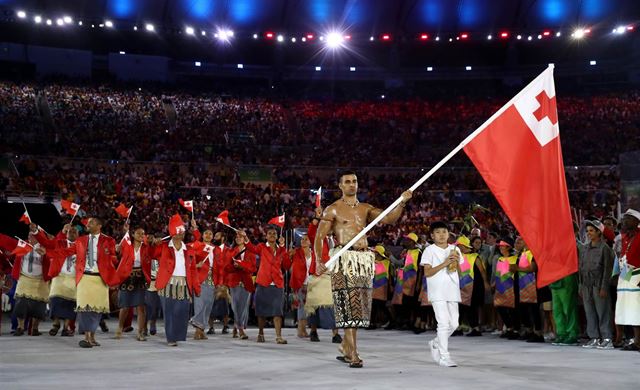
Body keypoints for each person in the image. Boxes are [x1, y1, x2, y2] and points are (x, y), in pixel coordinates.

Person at [313, 170, 412, 368]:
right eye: (347, 182)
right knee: (348, 306)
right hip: (344, 259)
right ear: (340, 185)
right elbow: (319, 237)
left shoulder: (365, 208)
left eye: (354, 181)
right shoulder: (332, 209)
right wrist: (318, 260)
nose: (351, 184)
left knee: (359, 308)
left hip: (363, 261)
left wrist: (402, 201)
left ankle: (346, 346)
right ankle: (353, 354)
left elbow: (389, 219)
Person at [54, 217, 123, 348]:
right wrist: (49, 252)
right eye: (88, 222)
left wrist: (116, 254)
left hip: (100, 279)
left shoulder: (108, 241)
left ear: (99, 225)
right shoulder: (81, 240)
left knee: (97, 309)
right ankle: (86, 338)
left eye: (91, 223)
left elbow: (113, 259)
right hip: (84, 277)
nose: (88, 224)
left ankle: (93, 337)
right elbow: (67, 251)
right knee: (85, 308)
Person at [152, 214, 201, 347]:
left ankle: (178, 335)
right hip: (168, 283)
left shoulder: (189, 249)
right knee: (169, 312)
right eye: (177, 233)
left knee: (182, 311)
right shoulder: (163, 247)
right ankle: (171, 337)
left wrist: (196, 287)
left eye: (182, 233)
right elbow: (151, 252)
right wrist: (153, 242)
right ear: (172, 234)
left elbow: (193, 270)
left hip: (184, 284)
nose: (180, 236)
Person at [421, 221, 462, 367]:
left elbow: (460, 270)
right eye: (438, 232)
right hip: (437, 290)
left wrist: (455, 263)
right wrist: (445, 263)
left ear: (449, 234)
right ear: (432, 236)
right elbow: (427, 273)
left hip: (452, 289)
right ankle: (444, 357)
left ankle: (435, 343)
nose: (442, 235)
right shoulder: (429, 250)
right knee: (443, 323)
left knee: (455, 324)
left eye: (444, 232)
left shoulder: (455, 249)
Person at [240, 226, 291, 344]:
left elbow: (287, 266)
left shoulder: (282, 250)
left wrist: (284, 248)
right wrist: (245, 237)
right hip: (263, 282)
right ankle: (260, 333)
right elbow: (251, 248)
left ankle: (278, 336)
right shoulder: (261, 247)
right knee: (261, 311)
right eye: (270, 233)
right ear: (266, 236)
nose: (272, 235)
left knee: (278, 311)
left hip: (277, 284)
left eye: (274, 233)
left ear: (278, 236)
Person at [34, 223, 78, 337]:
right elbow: (46, 243)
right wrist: (36, 232)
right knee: (55, 301)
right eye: (70, 231)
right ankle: (56, 324)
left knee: (70, 304)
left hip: (73, 278)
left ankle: (65, 328)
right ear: (66, 233)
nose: (72, 233)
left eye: (75, 232)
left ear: (78, 235)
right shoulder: (59, 243)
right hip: (59, 276)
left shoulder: (82, 246)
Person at [579, 220, 614, 349]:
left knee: (603, 312)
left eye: (591, 231)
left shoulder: (605, 248)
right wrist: (580, 286)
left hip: (599, 285)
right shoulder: (585, 248)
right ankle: (594, 338)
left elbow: (607, 269)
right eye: (587, 231)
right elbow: (581, 268)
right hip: (586, 285)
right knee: (589, 311)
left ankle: (607, 338)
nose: (589, 233)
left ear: (599, 232)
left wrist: (604, 287)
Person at [116, 225, 153, 341]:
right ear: (132, 235)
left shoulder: (147, 247)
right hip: (126, 277)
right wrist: (118, 247)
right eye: (138, 233)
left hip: (140, 278)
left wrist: (155, 242)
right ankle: (120, 328)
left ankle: (140, 332)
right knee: (125, 306)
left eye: (143, 234)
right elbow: (117, 250)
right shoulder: (126, 245)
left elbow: (155, 251)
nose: (141, 236)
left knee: (141, 307)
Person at [12, 231, 51, 336]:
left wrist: (46, 254)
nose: (29, 236)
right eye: (29, 235)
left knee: (39, 305)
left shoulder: (45, 247)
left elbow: (54, 259)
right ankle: (20, 327)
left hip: (40, 279)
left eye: (32, 235)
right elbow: (14, 254)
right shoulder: (23, 244)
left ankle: (35, 328)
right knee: (21, 303)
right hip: (24, 277)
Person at [615, 209, 640, 351]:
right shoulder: (625, 237)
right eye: (624, 218)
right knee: (624, 306)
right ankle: (623, 339)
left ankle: (638, 341)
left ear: (637, 222)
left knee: (636, 308)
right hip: (626, 272)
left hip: (637, 272)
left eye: (628, 218)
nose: (624, 221)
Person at [224, 232, 256, 340]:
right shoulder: (231, 251)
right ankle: (241, 329)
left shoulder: (251, 251)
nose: (238, 238)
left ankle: (235, 326)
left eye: (240, 236)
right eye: (236, 237)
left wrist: (242, 265)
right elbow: (227, 268)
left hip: (246, 281)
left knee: (243, 306)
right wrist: (235, 266)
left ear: (244, 238)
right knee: (235, 305)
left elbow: (253, 268)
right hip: (234, 281)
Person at [457, 236, 490, 337]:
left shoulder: (475, 256)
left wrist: (486, 283)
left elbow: (482, 271)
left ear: (462, 246)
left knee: (472, 307)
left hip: (475, 285)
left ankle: (475, 328)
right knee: (461, 306)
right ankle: (459, 327)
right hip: (463, 285)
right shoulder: (459, 256)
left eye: (458, 245)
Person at [190, 229, 216, 340]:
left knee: (208, 306)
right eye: (206, 233)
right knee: (199, 305)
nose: (208, 235)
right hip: (200, 279)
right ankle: (197, 329)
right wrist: (196, 265)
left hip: (212, 279)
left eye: (210, 233)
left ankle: (201, 329)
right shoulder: (197, 246)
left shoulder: (215, 249)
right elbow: (189, 258)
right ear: (203, 235)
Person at [492, 238, 520, 339]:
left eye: (503, 246)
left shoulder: (515, 258)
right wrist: (495, 282)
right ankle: (509, 327)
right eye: (500, 247)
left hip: (511, 286)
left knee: (512, 309)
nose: (501, 248)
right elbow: (498, 273)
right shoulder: (500, 259)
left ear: (508, 247)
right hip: (500, 286)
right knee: (500, 307)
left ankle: (516, 329)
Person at [208, 231, 231, 335]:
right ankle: (211, 327)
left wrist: (225, 284)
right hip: (213, 281)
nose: (214, 238)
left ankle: (225, 326)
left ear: (222, 238)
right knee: (211, 305)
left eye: (217, 236)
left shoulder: (228, 250)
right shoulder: (212, 249)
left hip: (225, 282)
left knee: (225, 306)